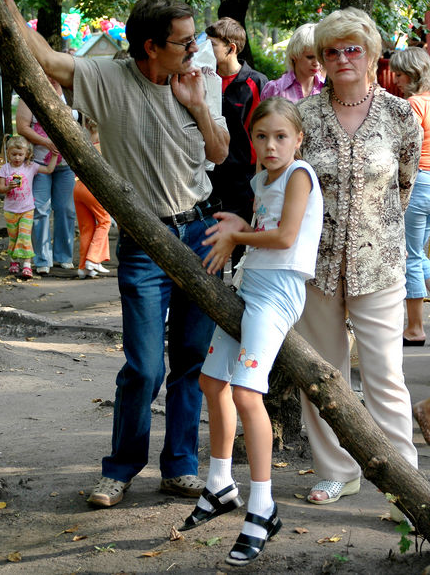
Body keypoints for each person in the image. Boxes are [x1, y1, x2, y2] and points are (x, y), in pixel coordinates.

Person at [0, 0, 229, 505]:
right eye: (185, 41)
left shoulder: (202, 79)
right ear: (150, 46)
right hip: (145, 242)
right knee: (144, 366)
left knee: (191, 358)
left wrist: (197, 105)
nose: (196, 48)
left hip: (200, 234)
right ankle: (121, 468)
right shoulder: (109, 77)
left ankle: (180, 467)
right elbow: (47, 60)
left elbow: (219, 153)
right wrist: (7, 1)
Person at [179, 98, 323, 566]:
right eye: (261, 137)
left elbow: (284, 237)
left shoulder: (300, 174)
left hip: (277, 294)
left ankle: (263, 508)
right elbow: (265, 227)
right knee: (211, 381)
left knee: (246, 392)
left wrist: (237, 237)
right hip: (248, 286)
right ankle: (220, 484)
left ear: (298, 139)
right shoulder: (262, 179)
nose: (270, 145)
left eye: (280, 136)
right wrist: (242, 225)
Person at [294, 7, 422, 522]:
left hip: (380, 265)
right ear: (321, 59)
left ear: (371, 54)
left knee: (385, 375)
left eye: (353, 48)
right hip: (316, 265)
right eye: (332, 50)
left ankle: (405, 484)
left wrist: (374, 233)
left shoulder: (399, 115)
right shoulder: (303, 116)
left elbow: (404, 186)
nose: (342, 58)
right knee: (322, 374)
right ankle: (336, 470)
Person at [205, 17, 268, 271]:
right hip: (210, 177)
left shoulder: (257, 82)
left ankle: (240, 294)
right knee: (212, 247)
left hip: (244, 181)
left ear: (231, 48)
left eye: (212, 45)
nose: (205, 50)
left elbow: (263, 134)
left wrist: (261, 181)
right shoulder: (205, 79)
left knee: (242, 252)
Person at [16, 77, 78, 274]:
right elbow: (22, 127)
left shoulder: (70, 92)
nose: (51, 76)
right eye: (46, 72)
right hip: (39, 163)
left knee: (66, 209)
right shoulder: (30, 94)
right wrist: (46, 142)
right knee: (40, 209)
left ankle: (63, 256)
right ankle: (42, 259)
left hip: (66, 164)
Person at [389, 48, 430, 346]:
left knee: (412, 256)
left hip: (420, 182)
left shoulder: (414, 104)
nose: (397, 80)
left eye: (400, 75)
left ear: (414, 75)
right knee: (421, 253)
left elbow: (406, 148)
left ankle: (415, 329)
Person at [0, 135, 58, 279]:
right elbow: (0, 188)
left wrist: (55, 155)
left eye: (20, 154)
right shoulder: (5, 168)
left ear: (27, 154)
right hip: (10, 210)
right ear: (8, 153)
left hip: (26, 210)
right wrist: (8, 187)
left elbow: (49, 170)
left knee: (24, 236)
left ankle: (27, 265)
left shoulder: (30, 166)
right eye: (14, 154)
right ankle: (14, 261)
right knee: (13, 237)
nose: (17, 158)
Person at [74, 119, 111, 279]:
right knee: (105, 221)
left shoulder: (83, 140)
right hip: (93, 188)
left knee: (87, 227)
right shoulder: (104, 144)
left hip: (78, 186)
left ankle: (83, 267)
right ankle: (93, 258)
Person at [260, 23, 324, 103]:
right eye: (310, 57)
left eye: (320, 57)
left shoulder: (328, 89)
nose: (316, 63)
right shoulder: (275, 89)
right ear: (294, 55)